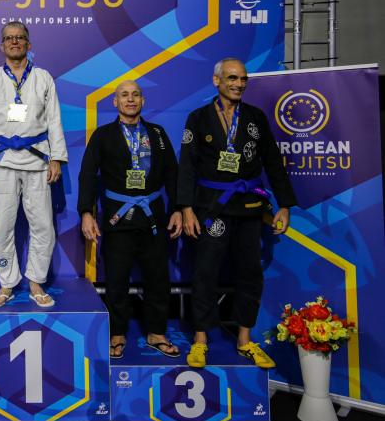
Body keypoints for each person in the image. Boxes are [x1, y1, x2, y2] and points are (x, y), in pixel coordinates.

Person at [178, 57, 297, 368]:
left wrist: (284, 205)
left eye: (243, 79)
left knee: (250, 272)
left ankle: (245, 339)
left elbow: (273, 162)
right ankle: (200, 339)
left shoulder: (255, 117)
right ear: (216, 81)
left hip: (248, 207)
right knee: (205, 271)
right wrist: (186, 208)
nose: (239, 84)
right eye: (232, 78)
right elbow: (187, 166)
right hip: (212, 206)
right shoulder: (198, 118)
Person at [79, 80, 182, 359]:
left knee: (158, 278)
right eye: (124, 95)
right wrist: (86, 212)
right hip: (118, 218)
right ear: (115, 102)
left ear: (143, 100)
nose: (130, 99)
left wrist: (178, 208)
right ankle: (117, 332)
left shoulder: (157, 134)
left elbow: (172, 173)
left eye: (136, 95)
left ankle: (156, 332)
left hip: (153, 217)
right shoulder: (103, 135)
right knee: (117, 279)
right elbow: (88, 175)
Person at [0, 22, 68, 308]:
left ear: (28, 44)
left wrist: (56, 157)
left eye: (19, 38)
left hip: (38, 160)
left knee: (43, 226)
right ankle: (6, 283)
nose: (14, 42)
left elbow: (54, 120)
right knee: (3, 227)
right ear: (2, 45)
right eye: (9, 38)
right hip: (2, 161)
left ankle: (36, 282)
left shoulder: (43, 78)